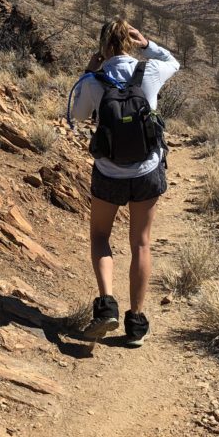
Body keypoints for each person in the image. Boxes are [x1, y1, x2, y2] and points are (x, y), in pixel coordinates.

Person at [67, 18, 180, 346]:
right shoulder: (150, 71)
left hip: (109, 171)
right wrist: (148, 45)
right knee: (141, 243)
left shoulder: (94, 81)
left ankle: (107, 307)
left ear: (103, 46)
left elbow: (75, 115)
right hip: (147, 171)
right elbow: (174, 62)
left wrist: (88, 71)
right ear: (131, 41)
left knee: (101, 236)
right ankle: (136, 323)